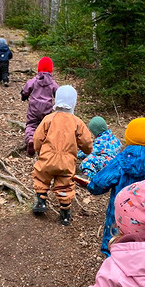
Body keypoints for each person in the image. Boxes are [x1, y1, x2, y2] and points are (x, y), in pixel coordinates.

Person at [76, 117, 145, 256]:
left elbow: (100, 183)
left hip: (119, 218)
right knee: (144, 250)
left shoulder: (120, 163)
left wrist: (92, 186)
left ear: (128, 138)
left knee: (115, 245)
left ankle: (112, 265)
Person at [32, 85, 92, 226]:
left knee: (41, 177)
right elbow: (87, 142)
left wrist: (39, 150)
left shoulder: (49, 119)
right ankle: (65, 214)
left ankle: (41, 201)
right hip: (67, 161)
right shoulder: (77, 122)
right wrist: (87, 150)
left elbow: (37, 138)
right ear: (73, 103)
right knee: (65, 185)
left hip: (47, 157)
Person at [21, 57, 59, 156]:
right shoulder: (52, 83)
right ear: (51, 69)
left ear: (38, 68)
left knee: (31, 124)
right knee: (45, 126)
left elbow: (26, 89)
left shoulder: (34, 80)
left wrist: (24, 95)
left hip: (34, 107)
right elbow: (58, 93)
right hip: (47, 109)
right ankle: (43, 144)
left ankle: (30, 139)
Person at [77, 116, 122, 180]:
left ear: (95, 131)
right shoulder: (114, 139)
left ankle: (88, 176)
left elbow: (90, 150)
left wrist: (78, 154)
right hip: (116, 164)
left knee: (89, 160)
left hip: (107, 163)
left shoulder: (101, 141)